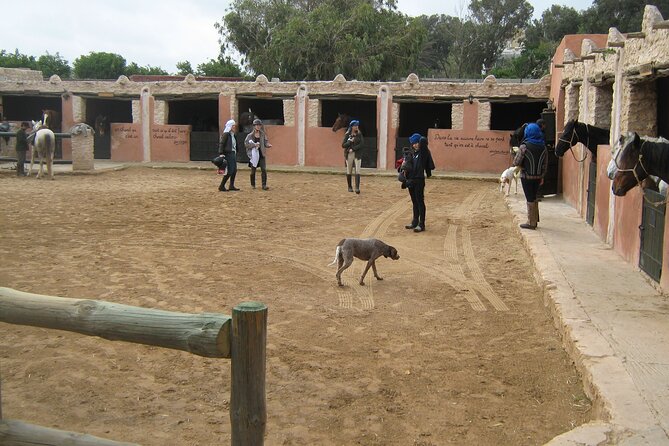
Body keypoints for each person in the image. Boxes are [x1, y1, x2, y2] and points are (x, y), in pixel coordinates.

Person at [512, 123, 548, 230]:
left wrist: (515, 153)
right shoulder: (543, 147)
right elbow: (545, 165)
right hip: (537, 177)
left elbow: (516, 162)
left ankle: (531, 222)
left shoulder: (524, 147)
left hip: (526, 176)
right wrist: (542, 176)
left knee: (529, 198)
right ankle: (535, 220)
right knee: (534, 197)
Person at [404, 133, 435, 233]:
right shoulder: (411, 153)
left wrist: (420, 139)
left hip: (419, 180)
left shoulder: (423, 153)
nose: (415, 145)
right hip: (411, 180)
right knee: (414, 202)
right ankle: (414, 221)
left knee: (420, 201)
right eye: (413, 143)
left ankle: (421, 224)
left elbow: (423, 141)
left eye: (416, 143)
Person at [244, 118, 272, 190]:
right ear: (254, 126)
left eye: (259, 125)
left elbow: (265, 142)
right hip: (254, 155)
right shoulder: (250, 135)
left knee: (263, 169)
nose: (258, 127)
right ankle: (253, 184)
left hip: (261, 154)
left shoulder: (262, 134)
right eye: (256, 125)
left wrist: (268, 145)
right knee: (253, 170)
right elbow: (246, 144)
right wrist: (254, 145)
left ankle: (264, 185)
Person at [341, 119, 364, 194]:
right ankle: (349, 186)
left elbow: (361, 144)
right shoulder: (347, 134)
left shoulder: (359, 134)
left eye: (357, 125)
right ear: (352, 127)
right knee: (349, 169)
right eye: (355, 126)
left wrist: (353, 149)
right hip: (349, 154)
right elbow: (343, 145)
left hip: (357, 154)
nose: (356, 127)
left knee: (357, 170)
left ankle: (357, 187)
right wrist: (349, 142)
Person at [218, 119, 240, 192]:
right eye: (233, 126)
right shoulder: (226, 134)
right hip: (228, 154)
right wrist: (221, 153)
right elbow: (222, 144)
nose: (234, 127)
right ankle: (222, 185)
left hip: (233, 153)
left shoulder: (233, 135)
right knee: (230, 171)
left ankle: (231, 185)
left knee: (234, 170)